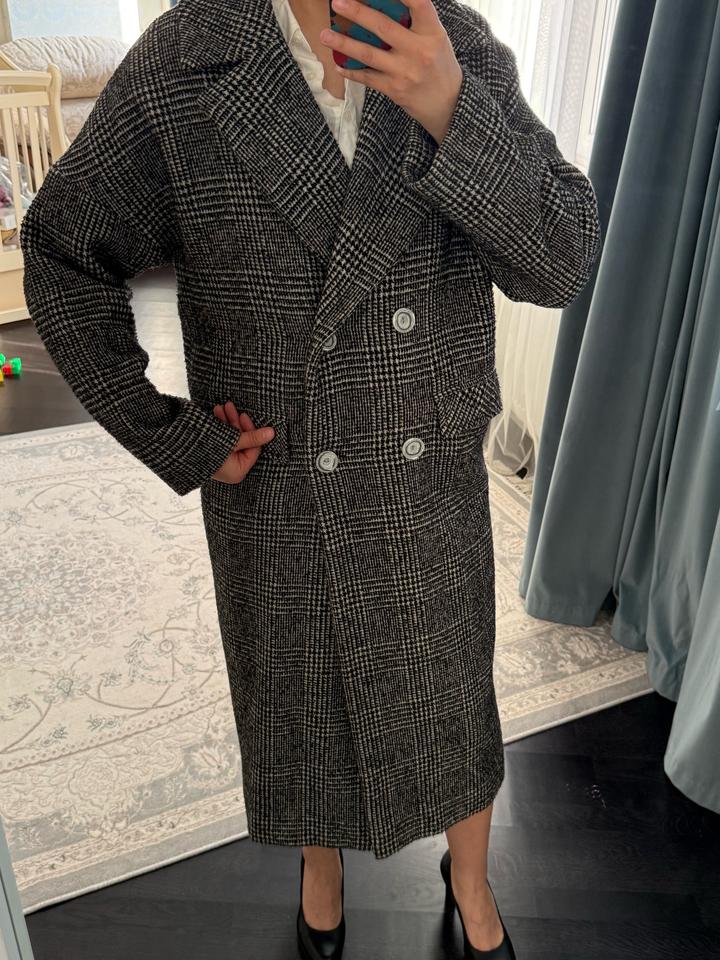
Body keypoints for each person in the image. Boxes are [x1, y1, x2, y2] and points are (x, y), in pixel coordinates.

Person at [19, 0, 601, 957]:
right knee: (299, 703)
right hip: (278, 480)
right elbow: (62, 249)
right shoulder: (189, 56)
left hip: (425, 476)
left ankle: (469, 875)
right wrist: (168, 432)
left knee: (450, 697)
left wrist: (452, 109)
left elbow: (563, 262)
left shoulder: (456, 46)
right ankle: (319, 871)